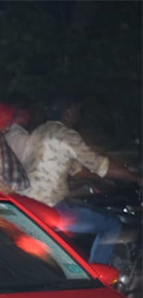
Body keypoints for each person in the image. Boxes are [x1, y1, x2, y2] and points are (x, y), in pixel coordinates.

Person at [21, 94, 142, 265]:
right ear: (68, 111)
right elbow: (99, 164)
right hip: (50, 204)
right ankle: (99, 279)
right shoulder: (66, 134)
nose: (79, 115)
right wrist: (135, 177)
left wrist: (104, 180)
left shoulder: (40, 131)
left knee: (86, 207)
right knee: (112, 224)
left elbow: (77, 170)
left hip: (28, 202)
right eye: (78, 110)